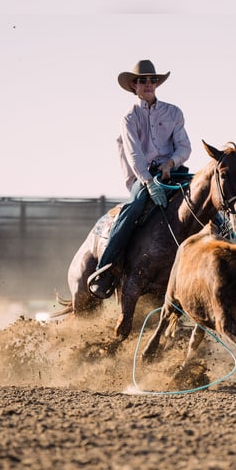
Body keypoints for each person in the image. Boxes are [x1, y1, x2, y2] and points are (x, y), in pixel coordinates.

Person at [87, 59, 192, 299]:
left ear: (157, 84)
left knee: (204, 200)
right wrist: (148, 181)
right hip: (143, 177)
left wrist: (171, 163)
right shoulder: (129, 118)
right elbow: (134, 154)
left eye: (152, 80)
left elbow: (184, 147)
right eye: (142, 80)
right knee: (132, 210)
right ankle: (106, 269)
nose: (148, 84)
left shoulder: (174, 112)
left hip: (174, 172)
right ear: (134, 86)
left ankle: (229, 250)